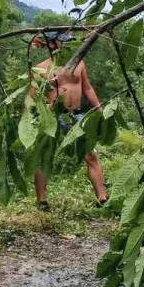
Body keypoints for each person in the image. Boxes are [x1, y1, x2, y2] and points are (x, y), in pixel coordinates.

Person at [31, 32, 109, 210]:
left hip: (77, 115)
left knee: (91, 154)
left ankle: (102, 197)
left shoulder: (79, 64)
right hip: (52, 117)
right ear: (52, 44)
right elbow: (33, 97)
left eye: (69, 41)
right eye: (63, 41)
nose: (68, 45)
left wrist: (99, 109)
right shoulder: (41, 69)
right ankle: (41, 201)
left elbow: (87, 88)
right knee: (43, 156)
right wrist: (42, 111)